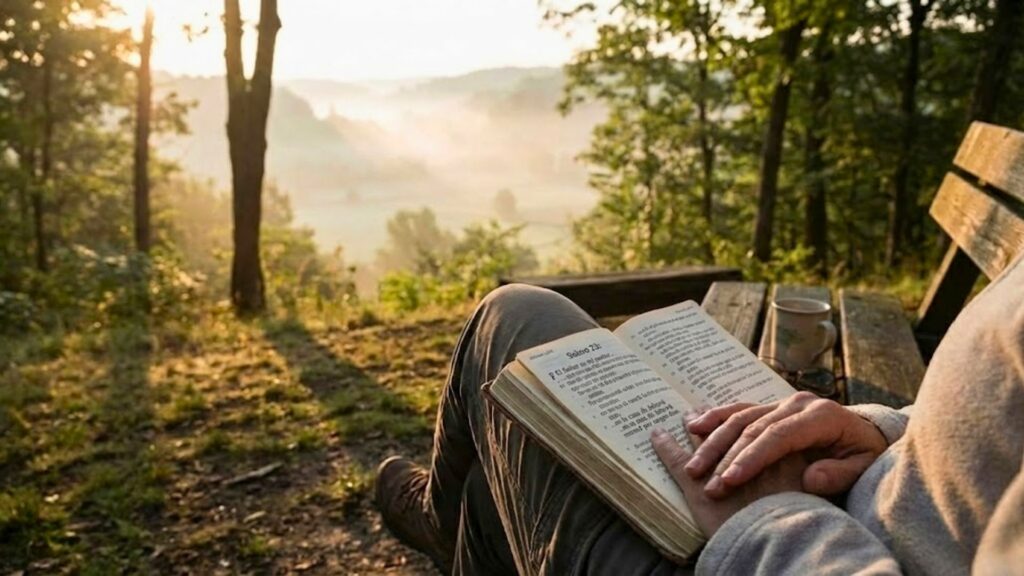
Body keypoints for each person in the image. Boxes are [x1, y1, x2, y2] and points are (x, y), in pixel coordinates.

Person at [374, 254, 1024, 575]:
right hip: (847, 507)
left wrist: (774, 524)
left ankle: (437, 519)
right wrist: (883, 431)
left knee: (512, 316)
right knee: (494, 485)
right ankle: (454, 523)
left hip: (780, 553)